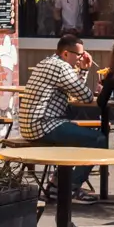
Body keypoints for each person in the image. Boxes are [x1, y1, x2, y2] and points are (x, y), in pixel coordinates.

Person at [18, 31, 104, 199]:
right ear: (66, 53)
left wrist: (82, 70)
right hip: (43, 125)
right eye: (79, 55)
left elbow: (74, 90)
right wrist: (85, 69)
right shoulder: (61, 67)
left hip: (30, 126)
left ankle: (56, 185)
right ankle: (70, 186)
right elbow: (85, 96)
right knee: (98, 139)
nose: (81, 59)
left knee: (78, 133)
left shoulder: (48, 62)